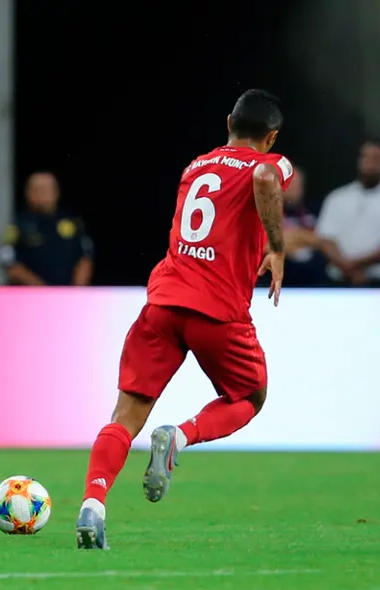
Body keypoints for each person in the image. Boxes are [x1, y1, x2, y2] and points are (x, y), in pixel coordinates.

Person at [75, 89, 295, 549]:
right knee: (249, 397)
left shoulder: (195, 166)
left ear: (229, 121)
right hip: (218, 312)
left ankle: (92, 505)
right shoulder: (271, 163)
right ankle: (180, 435)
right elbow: (263, 177)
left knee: (126, 414)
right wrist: (276, 247)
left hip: (164, 303)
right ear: (271, 136)